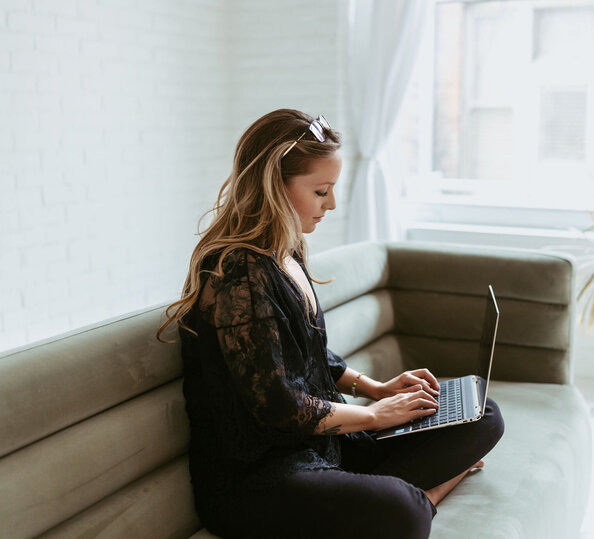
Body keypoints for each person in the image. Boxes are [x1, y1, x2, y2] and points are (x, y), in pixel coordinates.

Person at [157, 109, 504, 538]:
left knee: (481, 412)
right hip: (258, 480)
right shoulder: (237, 275)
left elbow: (312, 355)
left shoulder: (287, 251)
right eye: (321, 191)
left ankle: (379, 494)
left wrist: (375, 389)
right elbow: (280, 406)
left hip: (322, 447)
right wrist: (375, 417)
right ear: (272, 187)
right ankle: (427, 494)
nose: (332, 204)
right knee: (405, 513)